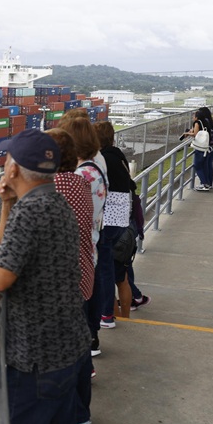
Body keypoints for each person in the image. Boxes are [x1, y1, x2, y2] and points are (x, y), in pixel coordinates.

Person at [0, 129, 90, 424]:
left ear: (13, 168)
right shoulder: (55, 200)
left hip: (37, 357)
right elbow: (10, 246)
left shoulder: (32, 211)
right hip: (70, 347)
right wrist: (6, 205)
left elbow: (2, 276)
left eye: (7, 162)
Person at [48, 127, 96, 424]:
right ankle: (82, 413)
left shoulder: (51, 189)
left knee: (62, 354)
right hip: (83, 273)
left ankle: (70, 414)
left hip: (61, 283)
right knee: (78, 347)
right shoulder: (80, 182)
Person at [58, 115, 107, 353]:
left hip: (76, 253)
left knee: (76, 312)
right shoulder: (96, 166)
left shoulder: (79, 177)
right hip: (92, 243)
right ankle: (89, 343)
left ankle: (83, 355)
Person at [93, 121, 136, 325]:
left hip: (108, 222)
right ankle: (121, 317)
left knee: (105, 271)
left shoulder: (103, 159)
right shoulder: (118, 156)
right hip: (122, 223)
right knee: (121, 275)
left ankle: (107, 315)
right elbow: (130, 184)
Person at [184, 108, 213, 190]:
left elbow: (195, 134)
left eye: (194, 116)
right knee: (206, 165)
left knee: (198, 165)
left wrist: (187, 133)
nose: (192, 117)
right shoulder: (206, 122)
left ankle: (204, 184)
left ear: (197, 117)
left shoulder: (197, 123)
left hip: (201, 147)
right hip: (208, 146)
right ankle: (208, 183)